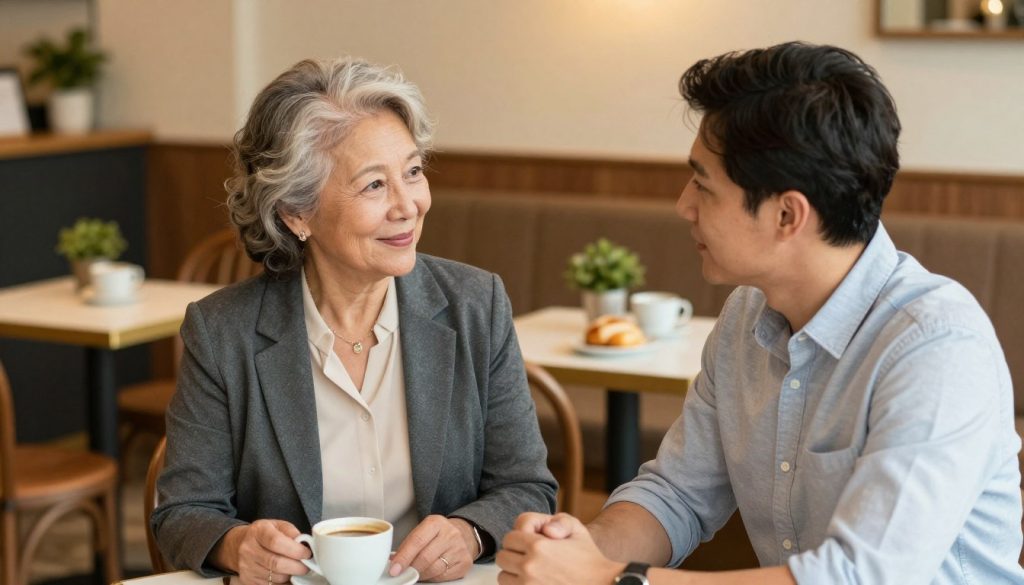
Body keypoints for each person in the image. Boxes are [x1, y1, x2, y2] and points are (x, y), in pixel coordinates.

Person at [497, 41, 1024, 585]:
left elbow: (859, 577)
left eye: (703, 185)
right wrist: (581, 549)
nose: (684, 205)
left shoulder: (937, 347)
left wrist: (610, 579)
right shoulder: (746, 316)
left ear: (786, 215)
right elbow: (678, 492)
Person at [151, 57, 557, 584]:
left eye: (412, 173)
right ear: (296, 213)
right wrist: (237, 545)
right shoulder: (222, 330)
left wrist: (470, 532)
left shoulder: (476, 304)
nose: (408, 205)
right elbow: (182, 512)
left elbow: (528, 486)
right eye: (373, 186)